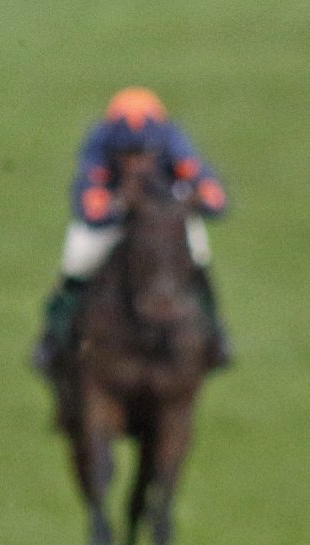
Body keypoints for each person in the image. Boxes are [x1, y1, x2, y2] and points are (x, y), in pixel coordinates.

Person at [32, 88, 230, 374]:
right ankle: (53, 338)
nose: (136, 161)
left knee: (199, 258)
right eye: (127, 153)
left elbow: (212, 193)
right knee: (77, 261)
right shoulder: (99, 142)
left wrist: (194, 200)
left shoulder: (173, 141)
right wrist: (120, 203)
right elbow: (89, 206)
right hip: (114, 223)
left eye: (143, 152)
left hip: (163, 219)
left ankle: (216, 334)